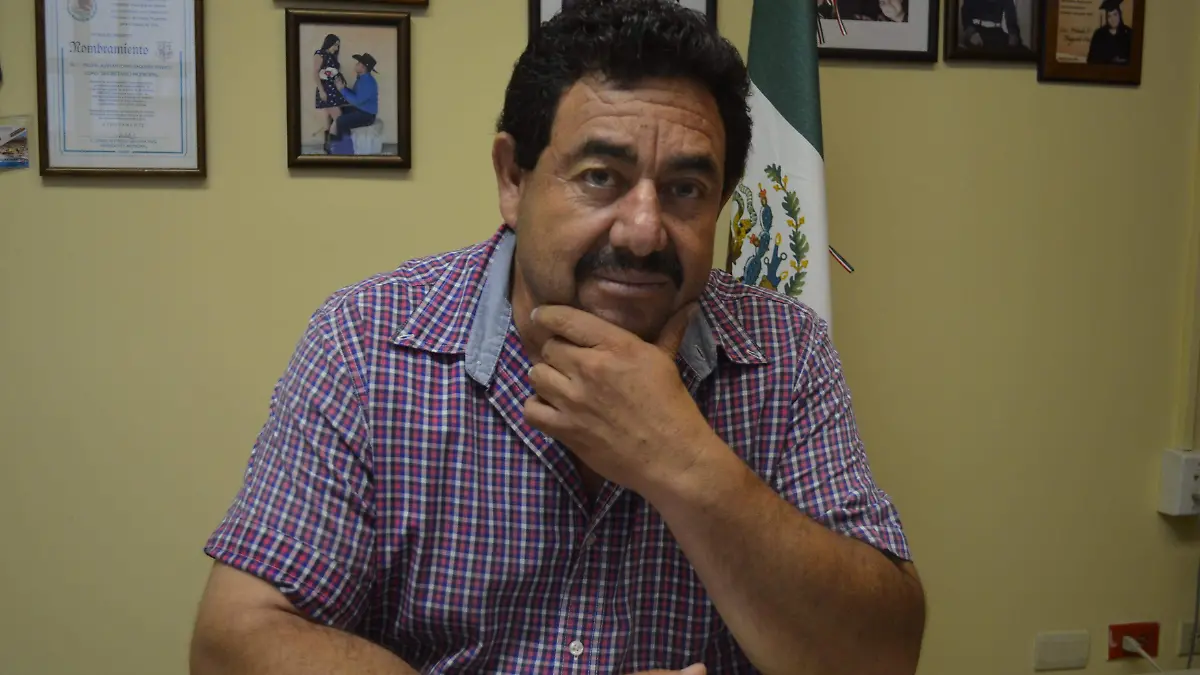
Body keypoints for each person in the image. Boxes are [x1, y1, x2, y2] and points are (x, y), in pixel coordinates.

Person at [189, 1, 926, 674]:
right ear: (513, 179)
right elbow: (234, 643)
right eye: (601, 176)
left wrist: (683, 461)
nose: (643, 231)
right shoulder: (368, 341)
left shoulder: (785, 351)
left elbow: (881, 656)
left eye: (685, 190)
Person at [329, 53, 380, 148]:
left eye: (358, 63)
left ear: (363, 68)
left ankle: (346, 148)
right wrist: (343, 88)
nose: (356, 65)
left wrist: (342, 90)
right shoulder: (362, 79)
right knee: (336, 111)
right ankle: (334, 143)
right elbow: (355, 94)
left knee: (342, 121)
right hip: (359, 109)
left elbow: (357, 101)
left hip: (367, 115)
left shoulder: (368, 82)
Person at [312, 34, 348, 152]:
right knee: (338, 117)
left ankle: (329, 145)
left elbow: (334, 74)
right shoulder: (320, 54)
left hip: (334, 89)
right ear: (329, 43)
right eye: (335, 45)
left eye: (338, 46)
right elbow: (315, 74)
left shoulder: (332, 57)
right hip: (326, 89)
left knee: (330, 119)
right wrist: (322, 91)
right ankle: (332, 144)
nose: (336, 48)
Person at [1087, 0, 1133, 65]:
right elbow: (1091, 60)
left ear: (1120, 15)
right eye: (1109, 16)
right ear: (1106, 18)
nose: (1112, 19)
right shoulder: (1099, 35)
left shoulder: (1128, 33)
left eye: (1115, 14)